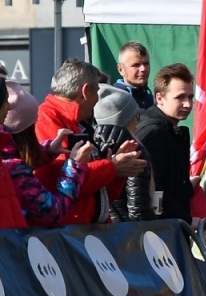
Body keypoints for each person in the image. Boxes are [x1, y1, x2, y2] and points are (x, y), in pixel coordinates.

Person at [37, 59, 146, 225]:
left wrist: (118, 172)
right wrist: (112, 167)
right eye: (97, 92)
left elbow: (100, 194)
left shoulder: (79, 124)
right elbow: (62, 181)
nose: (98, 101)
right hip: (69, 236)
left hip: (86, 233)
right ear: (86, 91)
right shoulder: (47, 120)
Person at [0, 81, 89, 227]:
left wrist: (47, 150)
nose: (8, 106)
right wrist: (75, 166)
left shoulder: (7, 158)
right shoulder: (14, 169)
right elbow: (53, 211)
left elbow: (14, 154)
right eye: (4, 102)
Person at [129, 63, 195, 223]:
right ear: (159, 98)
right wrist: (186, 220)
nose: (187, 104)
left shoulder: (169, 130)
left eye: (190, 97)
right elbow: (152, 190)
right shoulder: (154, 133)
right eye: (180, 97)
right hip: (161, 230)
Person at [92, 84, 145, 222]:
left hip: (99, 229)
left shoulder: (91, 147)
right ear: (125, 119)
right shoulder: (132, 150)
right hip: (128, 233)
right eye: (135, 115)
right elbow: (138, 208)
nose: (138, 121)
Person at [113, 41, 154, 109]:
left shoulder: (153, 100)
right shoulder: (115, 101)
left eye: (146, 63)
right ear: (121, 69)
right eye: (136, 65)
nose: (143, 69)